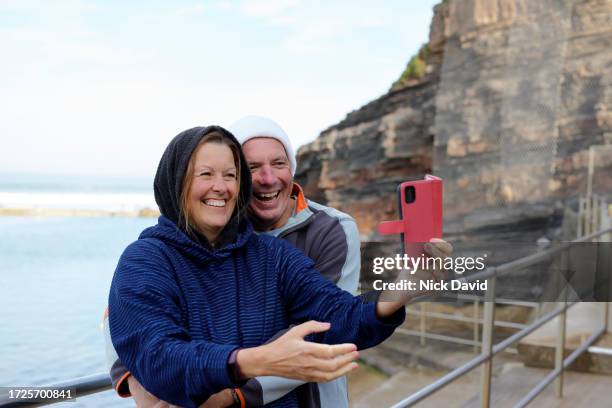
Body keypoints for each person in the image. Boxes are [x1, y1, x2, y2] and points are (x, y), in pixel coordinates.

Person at [107, 125, 451, 408]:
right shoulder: (146, 260)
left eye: (230, 174)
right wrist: (253, 360)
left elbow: (336, 314)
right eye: (205, 174)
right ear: (176, 181)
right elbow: (158, 357)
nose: (220, 186)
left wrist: (397, 293)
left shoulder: (270, 255)